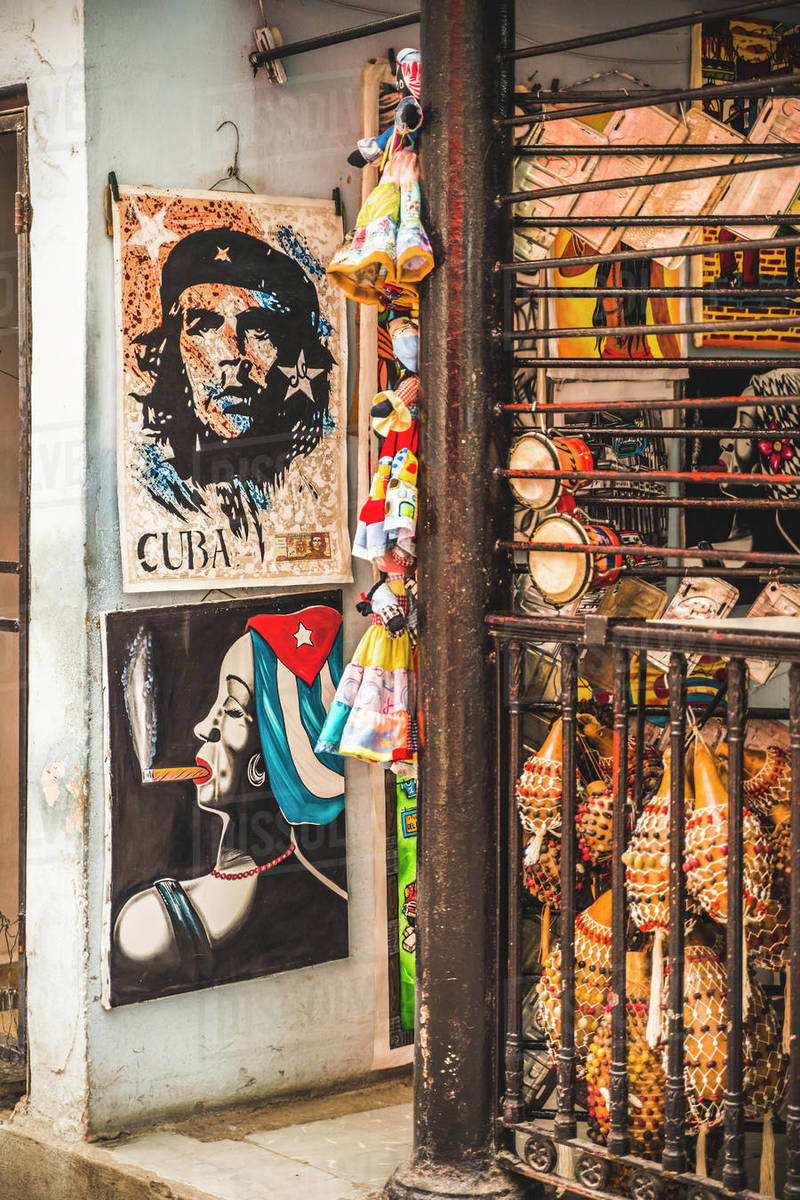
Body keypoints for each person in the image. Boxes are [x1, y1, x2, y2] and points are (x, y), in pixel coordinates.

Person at [112, 606, 348, 1002]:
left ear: (264, 766)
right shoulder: (330, 904)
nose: (204, 727)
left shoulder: (151, 924)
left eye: (233, 709)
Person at [132, 227, 335, 521]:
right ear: (175, 344)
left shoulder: (305, 480)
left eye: (258, 330)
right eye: (203, 327)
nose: (233, 358)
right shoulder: (154, 479)